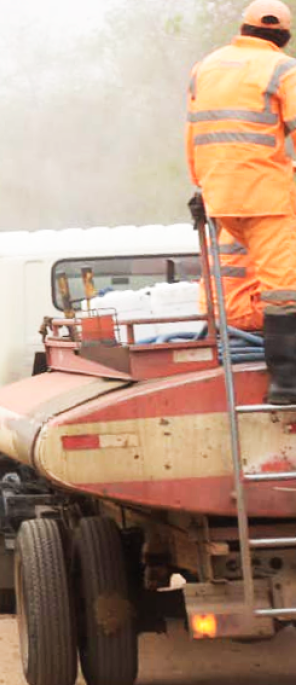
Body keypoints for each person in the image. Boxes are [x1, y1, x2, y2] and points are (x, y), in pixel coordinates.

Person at [187, 0, 296, 403]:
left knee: (253, 272)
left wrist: (204, 186)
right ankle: (286, 385)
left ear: (244, 29)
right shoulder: (284, 69)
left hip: (220, 194)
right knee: (284, 288)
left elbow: (194, 133)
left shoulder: (205, 68)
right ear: (283, 37)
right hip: (265, 195)